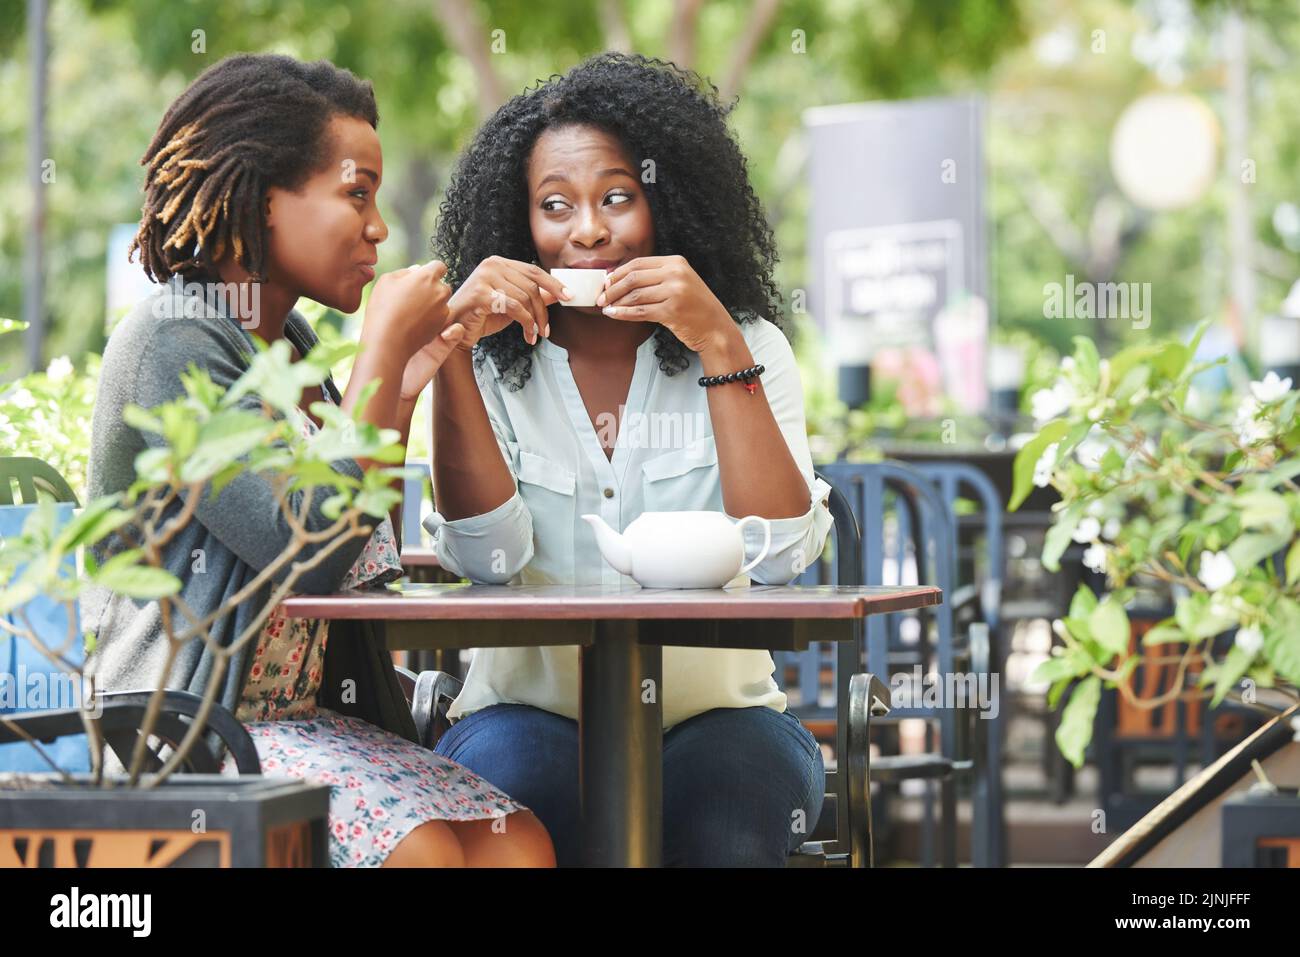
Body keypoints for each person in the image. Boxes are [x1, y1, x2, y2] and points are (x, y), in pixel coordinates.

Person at [84, 53, 552, 868]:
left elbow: (359, 550)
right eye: (355, 192)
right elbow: (307, 548)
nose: (377, 225)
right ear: (268, 199)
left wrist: (411, 372)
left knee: (519, 845)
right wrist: (378, 349)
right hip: (189, 735)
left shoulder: (288, 349)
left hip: (302, 725)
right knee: (424, 854)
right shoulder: (174, 340)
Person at [426, 53, 833, 866]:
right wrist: (452, 351)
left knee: (726, 818)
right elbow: (491, 559)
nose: (588, 231)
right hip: (519, 713)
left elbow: (784, 555)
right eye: (555, 206)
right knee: (523, 802)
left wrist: (717, 342)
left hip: (723, 718)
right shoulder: (481, 362)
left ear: (669, 202)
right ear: (520, 225)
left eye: (618, 197)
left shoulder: (749, 344)